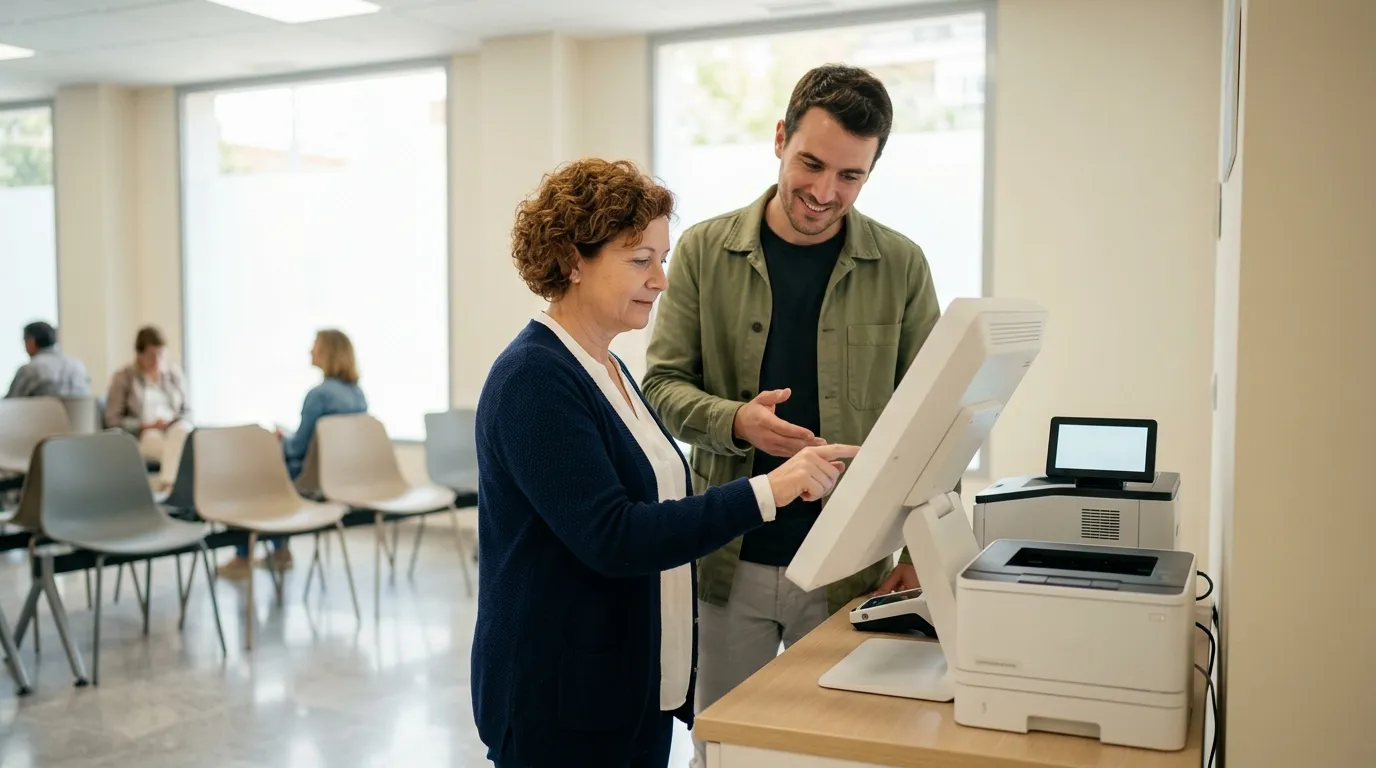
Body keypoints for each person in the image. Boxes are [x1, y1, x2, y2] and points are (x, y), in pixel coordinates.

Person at [471, 157, 859, 768]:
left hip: (631, 693)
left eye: (662, 258)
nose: (661, 280)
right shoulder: (533, 379)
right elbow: (615, 537)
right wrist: (767, 491)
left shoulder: (609, 368)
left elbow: (660, 508)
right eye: (639, 260)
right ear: (575, 259)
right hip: (562, 706)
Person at [641, 63, 946, 759]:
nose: (823, 191)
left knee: (838, 751)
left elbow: (937, 418)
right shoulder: (702, 252)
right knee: (727, 747)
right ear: (780, 138)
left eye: (850, 176)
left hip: (852, 564)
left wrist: (926, 548)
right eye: (811, 163)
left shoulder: (902, 266)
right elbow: (660, 384)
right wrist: (736, 421)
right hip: (729, 562)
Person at [218, 329, 367, 578]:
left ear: (328, 352)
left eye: (315, 346)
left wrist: (280, 441)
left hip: (309, 476)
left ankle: (244, 555)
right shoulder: (358, 395)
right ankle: (279, 552)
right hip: (340, 475)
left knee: (250, 479)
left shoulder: (319, 395)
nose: (310, 351)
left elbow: (298, 448)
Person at [105, 326, 191, 477]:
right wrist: (148, 425)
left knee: (181, 431)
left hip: (172, 428)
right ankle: (169, 486)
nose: (157, 361)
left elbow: (187, 411)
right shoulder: (124, 378)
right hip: (144, 433)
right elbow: (113, 420)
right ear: (139, 355)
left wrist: (172, 423)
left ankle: (167, 485)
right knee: (161, 443)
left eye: (161, 354)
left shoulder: (174, 375)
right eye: (152, 355)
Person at [5, 321, 90, 399]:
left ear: (31, 342)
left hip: (41, 415)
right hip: (79, 416)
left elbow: (9, 405)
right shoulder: (78, 366)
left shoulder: (29, 370)